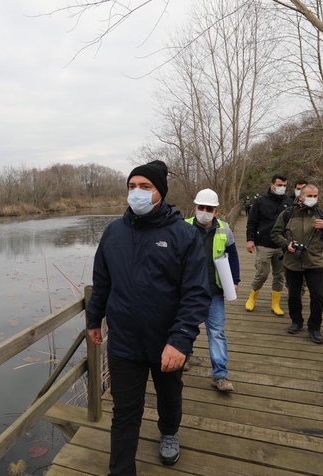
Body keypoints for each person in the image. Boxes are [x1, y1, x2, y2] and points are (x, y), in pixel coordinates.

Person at [86, 160, 211, 474]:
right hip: (124, 343)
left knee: (170, 395)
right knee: (124, 414)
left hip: (167, 341)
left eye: (145, 187)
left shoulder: (183, 235)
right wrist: (93, 319)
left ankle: (169, 432)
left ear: (160, 192)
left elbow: (196, 293)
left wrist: (180, 341)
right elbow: (102, 282)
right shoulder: (113, 233)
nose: (136, 193)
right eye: (132, 186)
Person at [184, 188, 240, 392]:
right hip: (188, 291)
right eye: (201, 207)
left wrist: (234, 281)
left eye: (209, 208)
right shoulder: (183, 227)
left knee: (216, 332)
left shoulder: (225, 229)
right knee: (185, 327)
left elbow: (233, 256)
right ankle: (184, 356)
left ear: (216, 211)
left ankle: (220, 375)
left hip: (214, 291)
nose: (204, 211)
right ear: (195, 208)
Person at [271, 184, 323, 344]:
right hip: (292, 261)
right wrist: (286, 244)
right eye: (310, 195)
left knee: (318, 297)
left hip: (314, 262)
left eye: (316, 196)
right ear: (300, 197)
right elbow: (275, 233)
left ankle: (314, 328)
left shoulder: (321, 214)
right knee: (294, 295)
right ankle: (297, 322)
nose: (313, 198)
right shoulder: (288, 213)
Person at [244, 174, 292, 316]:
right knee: (262, 273)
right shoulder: (260, 201)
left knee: (279, 275)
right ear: (272, 185)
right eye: (279, 185)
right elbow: (251, 222)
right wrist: (250, 240)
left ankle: (275, 304)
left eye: (284, 186)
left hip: (282, 245)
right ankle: (252, 297)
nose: (282, 188)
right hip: (263, 243)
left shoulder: (289, 202)